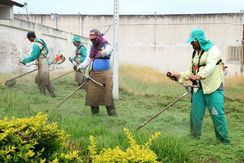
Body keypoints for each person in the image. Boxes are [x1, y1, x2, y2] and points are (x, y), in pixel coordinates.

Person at [169, 28, 230, 144]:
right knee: (195, 115)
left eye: (193, 41)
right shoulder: (195, 53)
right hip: (198, 90)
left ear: (199, 40)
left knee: (217, 115)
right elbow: (191, 71)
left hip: (214, 88)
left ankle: (223, 142)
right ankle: (194, 139)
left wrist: (199, 76)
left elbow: (210, 67)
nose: (191, 43)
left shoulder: (213, 50)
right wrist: (179, 76)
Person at [75, 29, 116, 116]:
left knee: (107, 94)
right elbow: (88, 60)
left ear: (98, 37)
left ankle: (112, 114)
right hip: (93, 74)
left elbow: (110, 49)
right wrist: (80, 66)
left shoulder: (106, 45)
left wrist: (104, 52)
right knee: (92, 93)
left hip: (105, 74)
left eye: (94, 38)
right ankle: (95, 113)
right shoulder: (92, 48)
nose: (92, 40)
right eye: (91, 38)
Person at [20, 31, 55, 97]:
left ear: (31, 37)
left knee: (45, 80)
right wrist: (42, 57)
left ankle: (51, 95)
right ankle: (44, 95)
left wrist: (24, 60)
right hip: (44, 62)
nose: (28, 40)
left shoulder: (36, 45)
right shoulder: (41, 41)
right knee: (39, 80)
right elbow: (47, 51)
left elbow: (33, 57)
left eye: (28, 38)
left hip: (42, 63)